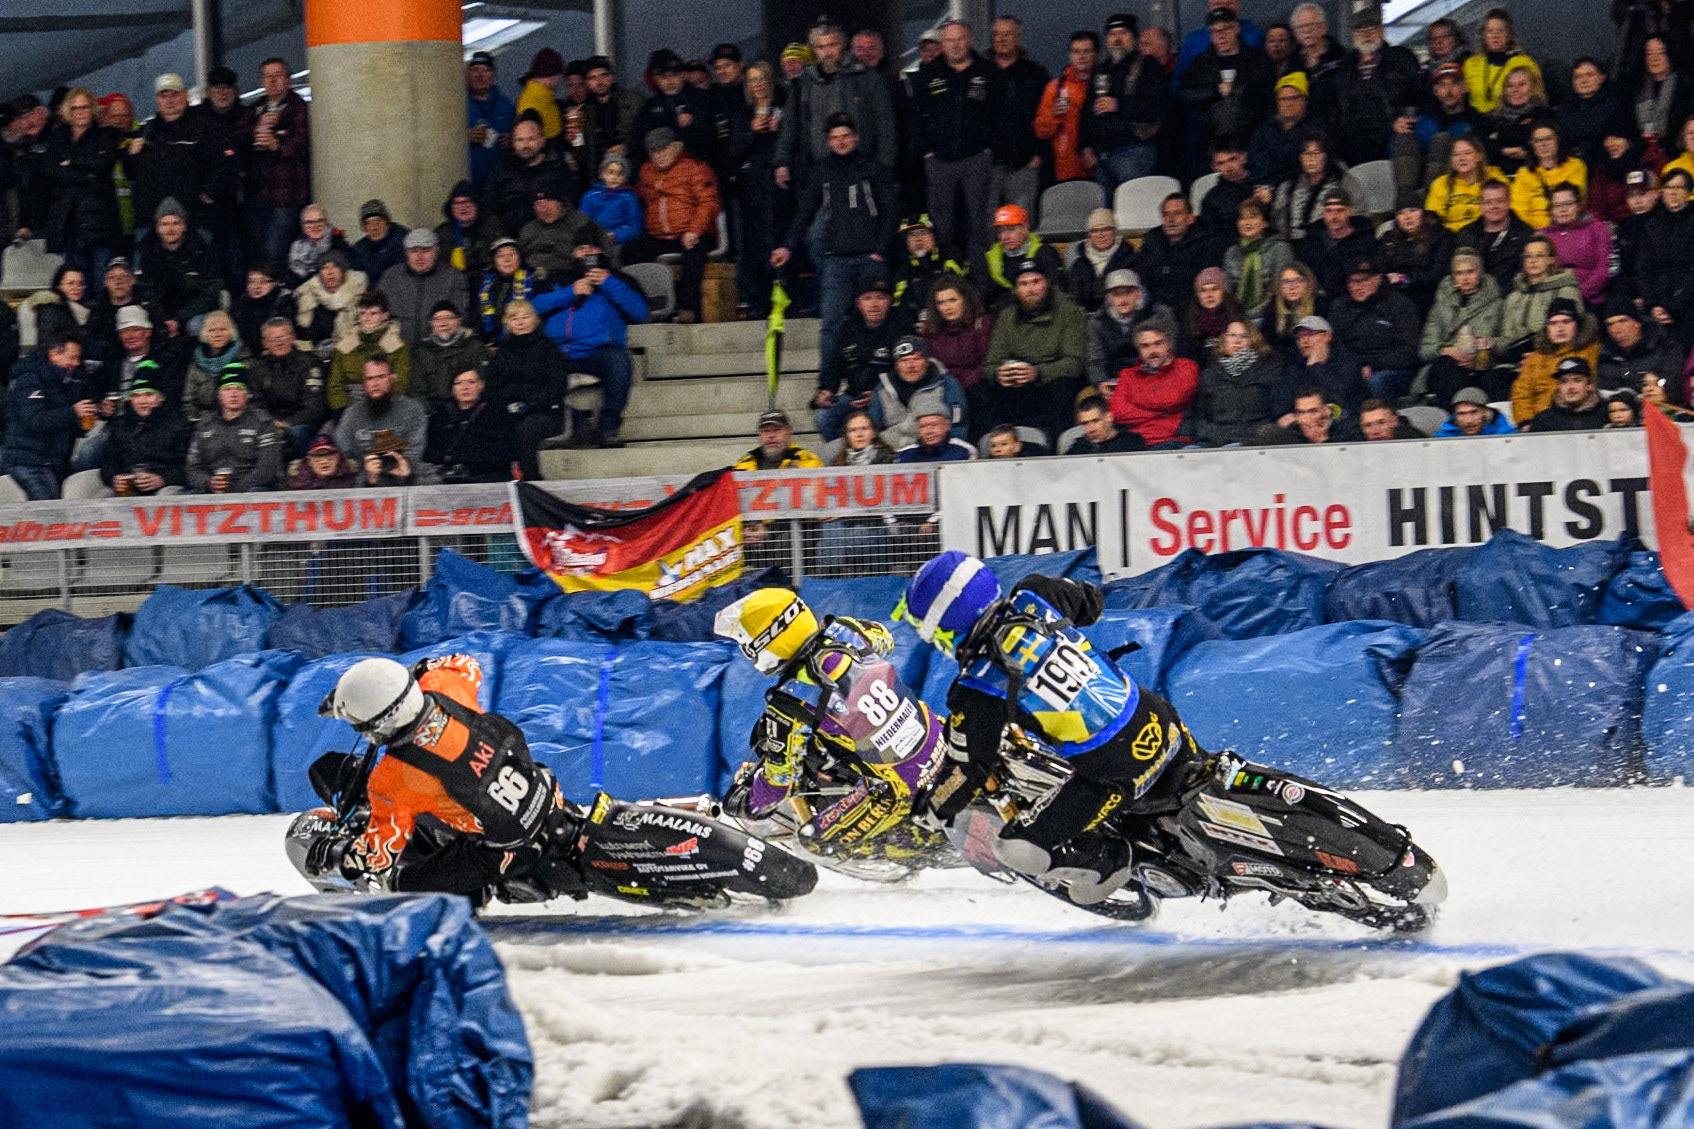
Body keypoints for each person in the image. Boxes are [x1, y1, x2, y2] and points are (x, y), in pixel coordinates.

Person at [899, 553, 1209, 904]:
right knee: (1204, 773)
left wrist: (933, 807)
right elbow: (1092, 602)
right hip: (1159, 718)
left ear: (947, 628)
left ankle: (1112, 861)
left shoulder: (978, 687)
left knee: (1016, 848)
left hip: (1114, 772)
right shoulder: (1036, 593)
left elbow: (968, 769)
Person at [304, 654, 580, 901]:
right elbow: (466, 663)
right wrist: (422, 668)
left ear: (377, 724)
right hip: (545, 792)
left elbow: (380, 853)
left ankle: (467, 906)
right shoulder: (444, 685)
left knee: (403, 884)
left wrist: (344, 856)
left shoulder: (393, 778)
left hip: (509, 848)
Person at [714, 589, 950, 851]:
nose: (749, 654)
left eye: (749, 646)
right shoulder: (847, 631)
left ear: (771, 640)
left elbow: (778, 785)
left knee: (813, 840)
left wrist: (747, 803)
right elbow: (885, 640)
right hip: (940, 736)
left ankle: (930, 849)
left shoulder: (790, 702)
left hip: (898, 789)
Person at [774, 113, 898, 391]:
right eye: (834, 137)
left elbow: (892, 212)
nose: (841, 142)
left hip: (870, 258)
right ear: (828, 142)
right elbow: (804, 212)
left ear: (855, 137)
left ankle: (883, 384)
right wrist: (787, 246)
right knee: (831, 323)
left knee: (881, 320)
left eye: (845, 136)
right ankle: (827, 386)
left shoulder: (874, 168)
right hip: (836, 260)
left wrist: (880, 250)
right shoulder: (822, 170)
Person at [532, 247, 648, 447]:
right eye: (580, 248)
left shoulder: (619, 279)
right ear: (572, 253)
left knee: (619, 361)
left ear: (601, 251)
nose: (586, 253)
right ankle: (576, 427)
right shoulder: (556, 279)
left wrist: (608, 282)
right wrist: (570, 292)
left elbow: (641, 313)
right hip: (557, 353)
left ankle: (608, 429)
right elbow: (532, 307)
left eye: (591, 248)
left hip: (597, 352)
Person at [774, 20, 897, 189]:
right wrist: (782, 161)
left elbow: (885, 124)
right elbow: (790, 126)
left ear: (843, 45)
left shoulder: (866, 77)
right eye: (820, 47)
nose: (827, 52)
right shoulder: (802, 83)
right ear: (813, 50)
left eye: (832, 44)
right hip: (818, 170)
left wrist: (884, 165)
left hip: (861, 168)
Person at [981, 258, 1087, 436]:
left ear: (1047, 283)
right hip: (1019, 381)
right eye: (1023, 284)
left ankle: (1058, 449)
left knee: (1062, 388)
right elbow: (991, 364)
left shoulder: (1069, 311)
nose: (1030, 289)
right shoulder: (1007, 316)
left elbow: (1074, 363)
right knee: (984, 391)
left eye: (1036, 282)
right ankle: (999, 447)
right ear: (1016, 289)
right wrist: (999, 373)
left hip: (1053, 379)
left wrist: (1037, 372)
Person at [629, 128, 719, 324]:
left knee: (693, 254)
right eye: (654, 151)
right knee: (631, 251)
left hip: (692, 232)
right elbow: (639, 195)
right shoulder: (646, 171)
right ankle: (647, 308)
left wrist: (694, 230)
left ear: (675, 147)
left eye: (663, 149)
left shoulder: (695, 167)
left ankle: (689, 309)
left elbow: (709, 202)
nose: (658, 155)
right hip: (660, 236)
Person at [1177, 7, 1276, 183]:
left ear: (1236, 28)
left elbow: (1269, 102)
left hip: (1250, 144)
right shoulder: (1200, 63)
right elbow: (1183, 95)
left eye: (1225, 29)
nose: (1220, 35)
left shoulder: (1257, 60)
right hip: (1210, 146)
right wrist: (1214, 91)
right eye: (1215, 31)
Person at [0, 332, 97, 500]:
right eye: (72, 357)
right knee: (49, 516)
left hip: (51, 463)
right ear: (54, 354)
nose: (76, 363)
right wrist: (73, 412)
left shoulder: (64, 382)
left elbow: (61, 423)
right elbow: (33, 420)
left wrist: (80, 424)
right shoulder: (29, 379)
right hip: (29, 462)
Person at [1079, 14, 1168, 194]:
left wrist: (1118, 104)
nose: (1117, 38)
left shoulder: (1148, 66)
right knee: (1108, 218)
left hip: (1135, 151)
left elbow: (1157, 108)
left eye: (1124, 33)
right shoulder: (1102, 70)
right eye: (1112, 34)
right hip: (1102, 156)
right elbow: (1086, 111)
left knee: (1134, 212)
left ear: (1134, 38)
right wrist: (1084, 145)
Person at [42, 86, 122, 282]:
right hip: (68, 223)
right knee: (76, 284)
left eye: (85, 107)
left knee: (100, 281)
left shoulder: (106, 135)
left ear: (92, 109)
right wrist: (87, 175)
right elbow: (52, 172)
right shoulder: (57, 138)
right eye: (76, 108)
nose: (81, 112)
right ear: (69, 111)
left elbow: (103, 165)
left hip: (101, 222)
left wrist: (71, 162)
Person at [727, 62, 787, 317]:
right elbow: (733, 152)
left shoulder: (785, 107)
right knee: (754, 246)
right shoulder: (743, 114)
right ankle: (759, 301)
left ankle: (785, 295)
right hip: (752, 190)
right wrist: (752, 132)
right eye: (752, 80)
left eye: (762, 78)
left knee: (781, 240)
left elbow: (795, 141)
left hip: (781, 188)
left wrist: (778, 131)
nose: (758, 84)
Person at [241, 58, 312, 268]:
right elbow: (238, 137)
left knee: (275, 249)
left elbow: (302, 144)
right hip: (258, 193)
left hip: (286, 194)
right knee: (256, 249)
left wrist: (276, 143)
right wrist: (258, 128)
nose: (272, 81)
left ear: (288, 80)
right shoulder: (255, 108)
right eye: (267, 76)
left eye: (277, 76)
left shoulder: (298, 107)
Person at [815, 278, 904, 441]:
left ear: (890, 301)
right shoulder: (847, 329)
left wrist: (878, 395)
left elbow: (906, 371)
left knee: (875, 408)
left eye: (880, 297)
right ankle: (843, 459)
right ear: (858, 303)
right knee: (823, 417)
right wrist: (826, 389)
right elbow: (834, 365)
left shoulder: (901, 328)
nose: (874, 304)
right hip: (853, 397)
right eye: (867, 298)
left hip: (890, 399)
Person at [1420, 248, 1507, 404]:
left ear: (1479, 273)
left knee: (1494, 378)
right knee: (1446, 365)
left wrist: (1488, 348)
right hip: (1446, 368)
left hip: (1484, 367)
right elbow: (1425, 350)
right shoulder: (1440, 307)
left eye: (1470, 272)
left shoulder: (1498, 305)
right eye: (1459, 273)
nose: (1465, 278)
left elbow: (1507, 343)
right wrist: (1446, 350)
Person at [125, 73, 203, 245]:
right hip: (150, 224)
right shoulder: (145, 132)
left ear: (185, 96)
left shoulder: (202, 128)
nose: (169, 100)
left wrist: (207, 194)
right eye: (163, 95)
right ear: (157, 100)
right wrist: (131, 156)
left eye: (174, 94)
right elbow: (130, 173)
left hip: (194, 221)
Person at [1327, 258, 1421, 401]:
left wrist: (1373, 365)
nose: (1357, 287)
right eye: (1352, 281)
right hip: (1352, 367)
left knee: (1377, 381)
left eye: (1363, 281)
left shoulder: (1399, 304)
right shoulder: (1340, 307)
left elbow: (1407, 351)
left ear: (1378, 278)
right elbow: (1336, 347)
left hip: (1393, 370)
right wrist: (1358, 365)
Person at [93, 367, 192, 496]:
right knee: (103, 496)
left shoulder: (179, 425)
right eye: (137, 395)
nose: (142, 401)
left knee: (166, 495)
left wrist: (162, 479)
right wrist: (114, 479)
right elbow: (108, 462)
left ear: (160, 398)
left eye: (149, 394)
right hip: (129, 485)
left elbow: (188, 467)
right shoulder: (120, 424)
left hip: (165, 486)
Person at [184, 365, 284, 493]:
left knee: (255, 492)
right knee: (189, 497)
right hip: (213, 488)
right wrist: (208, 483)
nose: (233, 394)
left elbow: (267, 468)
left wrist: (236, 490)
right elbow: (193, 467)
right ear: (219, 395)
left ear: (248, 394)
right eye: (227, 389)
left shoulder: (263, 422)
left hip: (252, 488)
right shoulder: (204, 425)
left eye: (239, 388)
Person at [1181, 318, 1279, 446]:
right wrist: (1210, 435)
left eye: (1244, 336)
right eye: (1232, 335)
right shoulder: (1209, 374)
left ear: (1253, 340)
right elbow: (1199, 414)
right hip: (1216, 442)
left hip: (1253, 442)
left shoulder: (1268, 369)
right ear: (1224, 339)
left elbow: (1275, 412)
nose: (1237, 341)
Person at [132, 198, 222, 335]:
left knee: (195, 326)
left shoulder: (201, 248)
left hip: (194, 312)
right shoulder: (147, 251)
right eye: (165, 224)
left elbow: (213, 288)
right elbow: (145, 290)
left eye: (176, 223)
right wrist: (162, 320)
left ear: (184, 226)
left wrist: (180, 318)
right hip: (160, 315)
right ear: (157, 228)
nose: (170, 229)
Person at [1110, 316, 1198, 448]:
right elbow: (1118, 412)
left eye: (1158, 343)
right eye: (1145, 346)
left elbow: (1173, 398)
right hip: (1135, 442)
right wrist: (1160, 413)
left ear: (1168, 344)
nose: (1152, 351)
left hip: (1173, 440)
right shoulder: (1127, 375)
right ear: (1138, 350)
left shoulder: (1186, 367)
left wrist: (1138, 404)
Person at [869, 335, 968, 451]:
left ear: (926, 361)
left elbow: (958, 426)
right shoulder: (882, 389)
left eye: (916, 359)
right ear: (896, 365)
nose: (910, 366)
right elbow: (872, 429)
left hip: (934, 453)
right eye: (904, 360)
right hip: (890, 455)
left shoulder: (947, 385)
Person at [1512, 297, 1602, 425]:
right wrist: (1526, 422)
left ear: (1577, 325)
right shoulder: (1535, 359)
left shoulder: (1593, 352)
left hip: (1582, 421)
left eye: (1566, 322)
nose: (1560, 328)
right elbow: (1521, 395)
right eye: (1553, 323)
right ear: (1546, 328)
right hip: (1542, 427)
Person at [484, 117, 579, 238]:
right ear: (513, 143)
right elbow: (489, 208)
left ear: (542, 141)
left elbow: (570, 206)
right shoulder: (501, 171)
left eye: (531, 139)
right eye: (520, 140)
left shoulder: (558, 169)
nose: (525, 145)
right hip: (510, 242)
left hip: (551, 240)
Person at [248, 316, 328, 455]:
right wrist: (271, 423)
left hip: (303, 422)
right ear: (265, 343)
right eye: (274, 339)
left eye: (283, 337)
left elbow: (315, 407)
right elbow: (256, 405)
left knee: (296, 433)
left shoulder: (309, 363)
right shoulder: (257, 368)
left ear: (292, 338)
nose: (279, 343)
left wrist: (286, 424)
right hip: (270, 423)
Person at [335, 356, 430, 471]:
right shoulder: (352, 414)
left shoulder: (412, 410)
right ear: (364, 383)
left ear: (391, 379)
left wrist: (402, 467)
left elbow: (414, 452)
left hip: (405, 477)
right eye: (369, 379)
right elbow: (342, 453)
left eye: (381, 377)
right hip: (364, 479)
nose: (375, 383)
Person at [1498, 237, 1582, 360]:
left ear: (1550, 259)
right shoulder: (1513, 297)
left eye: (1539, 256)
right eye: (1528, 256)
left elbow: (1574, 335)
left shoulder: (1566, 291)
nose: (1533, 261)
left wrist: (1538, 357)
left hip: (1553, 358)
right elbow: (1506, 339)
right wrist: (1490, 344)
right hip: (1515, 360)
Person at [380, 228, 467, 346]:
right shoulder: (390, 277)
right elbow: (379, 315)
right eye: (413, 251)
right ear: (406, 253)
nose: (419, 256)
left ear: (436, 251)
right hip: (398, 349)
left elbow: (461, 317)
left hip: (438, 350)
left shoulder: (453, 277)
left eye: (426, 250)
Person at [1086, 269, 1171, 391]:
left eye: (1128, 292)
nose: (1123, 299)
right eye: (1116, 294)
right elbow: (1095, 361)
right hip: (1114, 379)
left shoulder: (1158, 315)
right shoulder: (1097, 322)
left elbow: (1168, 352)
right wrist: (1101, 383)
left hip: (1151, 375)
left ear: (1138, 293)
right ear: (1109, 297)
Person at [969, 203, 1063, 313]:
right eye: (1000, 231)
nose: (1004, 237)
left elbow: (1057, 290)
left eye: (1011, 229)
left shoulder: (1045, 253)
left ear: (1025, 228)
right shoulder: (989, 259)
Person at [328, 290, 411, 411]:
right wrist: (345, 412)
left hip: (386, 407)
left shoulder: (397, 347)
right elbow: (335, 386)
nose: (367, 318)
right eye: (363, 313)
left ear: (384, 316)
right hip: (349, 408)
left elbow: (400, 384)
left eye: (373, 313)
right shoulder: (344, 346)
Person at [1136, 194, 1219, 314]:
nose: (1171, 219)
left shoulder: (1205, 243)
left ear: (1190, 218)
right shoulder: (1151, 241)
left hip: (1193, 310)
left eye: (1177, 213)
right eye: (1166, 214)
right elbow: (1143, 280)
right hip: (1156, 309)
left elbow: (1208, 284)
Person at [1034, 31, 1098, 186]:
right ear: (1070, 55)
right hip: (1064, 168)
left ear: (1096, 54)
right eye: (1076, 51)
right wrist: (1055, 115)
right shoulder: (1056, 87)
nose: (1081, 57)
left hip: (1098, 165)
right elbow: (1041, 130)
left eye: (1086, 51)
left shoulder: (1105, 84)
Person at [1379, 189, 1456, 314]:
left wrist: (1404, 279)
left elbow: (1438, 274)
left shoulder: (1441, 236)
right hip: (1394, 301)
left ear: (1423, 212)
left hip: (1430, 300)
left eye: (1413, 210)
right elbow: (1379, 271)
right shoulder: (1388, 239)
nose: (1407, 217)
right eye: (1401, 213)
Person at [1296, 187, 1378, 299]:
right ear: (1323, 212)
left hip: (1352, 300)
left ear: (1350, 211)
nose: (1334, 217)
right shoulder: (1311, 240)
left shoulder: (1365, 240)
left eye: (1340, 210)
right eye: (1329, 211)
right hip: (1316, 299)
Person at [1272, 130, 1351, 243]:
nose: (1311, 158)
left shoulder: (1343, 182)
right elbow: (1277, 222)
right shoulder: (1287, 187)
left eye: (1316, 153)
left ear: (1326, 155)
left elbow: (1357, 216)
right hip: (1292, 246)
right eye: (1306, 153)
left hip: (1331, 244)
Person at [1282, 313, 1365, 419]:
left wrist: (1315, 367)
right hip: (1304, 421)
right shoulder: (1294, 367)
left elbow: (1340, 397)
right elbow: (1284, 401)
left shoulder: (1348, 362)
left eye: (1309, 334)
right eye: (1299, 337)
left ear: (1327, 336)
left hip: (1345, 418)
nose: (1304, 341)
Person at [919, 277, 994, 395]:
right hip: (943, 389)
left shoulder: (982, 324)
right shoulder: (931, 330)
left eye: (952, 300)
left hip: (978, 388)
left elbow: (989, 362)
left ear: (965, 300)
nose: (947, 307)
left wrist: (960, 384)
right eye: (940, 303)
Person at [1540, 184, 1611, 306]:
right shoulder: (1543, 235)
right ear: (1551, 210)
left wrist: (1578, 294)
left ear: (1577, 206)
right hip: (1552, 299)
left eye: (1568, 204)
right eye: (1557, 205)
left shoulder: (1597, 228)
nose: (1563, 209)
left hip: (1591, 298)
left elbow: (1603, 269)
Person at [1457, 179, 1534, 290]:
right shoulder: (1467, 234)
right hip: (1475, 298)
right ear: (1481, 206)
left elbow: (1526, 275)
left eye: (1500, 201)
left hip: (1511, 297)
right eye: (1488, 202)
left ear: (1509, 203)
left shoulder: (1525, 233)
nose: (1494, 206)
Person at [519, 188, 612, 280]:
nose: (544, 209)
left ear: (560, 203)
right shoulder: (528, 230)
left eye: (549, 201)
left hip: (575, 277)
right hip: (536, 278)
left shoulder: (581, 222)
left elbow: (603, 250)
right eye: (538, 204)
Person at [411, 301, 488, 412]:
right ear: (431, 324)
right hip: (434, 412)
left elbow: (483, 384)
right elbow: (416, 392)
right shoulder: (421, 352)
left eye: (449, 318)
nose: (443, 323)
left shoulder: (475, 348)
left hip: (471, 410)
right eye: (437, 319)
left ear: (459, 321)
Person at [1463, 9, 1542, 115]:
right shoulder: (1471, 64)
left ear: (1509, 35)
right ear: (1483, 35)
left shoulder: (1525, 63)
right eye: (1490, 31)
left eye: (1501, 30)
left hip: (1515, 118)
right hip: (1477, 122)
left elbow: (1537, 98)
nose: (1495, 36)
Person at [1598, 297, 1683, 394]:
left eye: (1623, 321)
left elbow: (1672, 384)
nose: (1616, 330)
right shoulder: (1606, 357)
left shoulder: (1665, 348)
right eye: (1610, 324)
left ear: (1638, 323)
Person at [1511, 124, 1587, 230]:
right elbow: (1519, 210)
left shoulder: (1576, 166)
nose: (1543, 144)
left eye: (1548, 138)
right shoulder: (1524, 173)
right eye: (1538, 140)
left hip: (1568, 227)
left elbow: (1576, 202)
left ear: (1558, 141)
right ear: (1532, 146)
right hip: (1534, 232)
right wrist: (1534, 232)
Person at [892, 215, 964, 325]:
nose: (918, 239)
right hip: (918, 327)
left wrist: (935, 322)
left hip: (951, 324)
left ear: (934, 237)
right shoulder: (903, 268)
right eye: (912, 235)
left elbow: (962, 294)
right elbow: (900, 305)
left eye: (923, 233)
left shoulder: (950, 258)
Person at [1426, 137, 1507, 233]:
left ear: (1479, 156)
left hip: (1485, 234)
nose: (1461, 158)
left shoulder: (1495, 178)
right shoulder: (1440, 184)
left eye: (1467, 153)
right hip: (1452, 237)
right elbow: (1431, 220)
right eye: (1455, 155)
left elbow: (1505, 211)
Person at [182, 310, 251, 420]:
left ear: (231, 332)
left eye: (223, 329)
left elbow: (252, 398)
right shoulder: (196, 364)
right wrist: (203, 420)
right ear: (205, 334)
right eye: (212, 330)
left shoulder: (244, 361)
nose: (217, 334)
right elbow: (188, 402)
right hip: (204, 422)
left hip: (239, 419)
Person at [435, 181, 505, 288]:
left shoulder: (493, 227)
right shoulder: (442, 233)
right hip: (454, 287)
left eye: (467, 202)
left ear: (476, 205)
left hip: (488, 284)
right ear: (451, 208)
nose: (462, 207)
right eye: (457, 203)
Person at [1066, 208, 1137, 314]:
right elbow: (1074, 297)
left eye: (1105, 229)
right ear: (1089, 235)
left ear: (1114, 231)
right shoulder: (1079, 264)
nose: (1100, 235)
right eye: (1095, 231)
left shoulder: (1131, 259)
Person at [294, 250, 367, 352]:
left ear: (343, 271)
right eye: (324, 268)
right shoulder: (307, 298)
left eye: (335, 266)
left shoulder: (359, 294)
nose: (330, 272)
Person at [1247, 73, 1311, 189]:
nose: (1288, 103)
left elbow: (1298, 164)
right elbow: (1254, 162)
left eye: (1294, 98)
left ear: (1304, 99)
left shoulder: (1314, 128)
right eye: (1283, 99)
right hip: (1264, 188)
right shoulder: (1264, 129)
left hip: (1299, 188)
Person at [466, 51, 517, 191]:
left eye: (485, 70)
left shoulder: (506, 106)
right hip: (468, 183)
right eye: (475, 70)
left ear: (493, 76)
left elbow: (518, 138)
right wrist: (465, 136)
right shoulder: (456, 106)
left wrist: (511, 141)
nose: (480, 75)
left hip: (498, 184)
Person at [475, 238, 540, 341]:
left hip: (527, 339)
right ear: (494, 261)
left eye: (512, 254)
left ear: (520, 258)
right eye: (501, 256)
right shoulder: (484, 284)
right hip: (491, 342)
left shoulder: (535, 280)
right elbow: (478, 318)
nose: (507, 259)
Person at [577, 155, 642, 252]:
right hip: (595, 240)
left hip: (620, 242)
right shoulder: (590, 195)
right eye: (611, 172)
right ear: (602, 174)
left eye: (620, 174)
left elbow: (634, 226)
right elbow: (584, 221)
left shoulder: (629, 197)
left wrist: (615, 236)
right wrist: (596, 237)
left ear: (625, 178)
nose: (615, 177)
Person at [1182, 267, 1248, 362]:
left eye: (1215, 289)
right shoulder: (1190, 318)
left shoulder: (1237, 314)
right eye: (1203, 290)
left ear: (1223, 292)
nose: (1209, 295)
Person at [230, 261, 297, 354]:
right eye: (251, 281)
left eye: (263, 281)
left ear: (275, 282)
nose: (256, 286)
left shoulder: (285, 303)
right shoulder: (239, 305)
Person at [1525, 356, 1608, 431]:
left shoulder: (1608, 413)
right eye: (1564, 382)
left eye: (1577, 380)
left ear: (1590, 385)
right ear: (1558, 386)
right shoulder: (1543, 419)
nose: (1570, 387)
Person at [1269, 385, 1364, 444]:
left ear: (1326, 410)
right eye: (1301, 412)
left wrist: (1322, 440)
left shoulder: (1347, 429)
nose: (1307, 418)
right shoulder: (1291, 434)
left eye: (1313, 411)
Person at [1266, 263, 1321, 361]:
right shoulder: (1272, 308)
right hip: (1280, 361)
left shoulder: (1320, 305)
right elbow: (1269, 343)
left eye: (1298, 281)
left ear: (1308, 283)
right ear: (1279, 286)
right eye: (1286, 282)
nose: (1292, 286)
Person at [735, 409, 823, 471]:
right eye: (765, 431)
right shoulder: (743, 466)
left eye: (776, 430)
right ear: (759, 435)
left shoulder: (809, 463)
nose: (771, 435)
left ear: (789, 431)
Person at [286, 204, 351, 287]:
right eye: (309, 222)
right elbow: (291, 280)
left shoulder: (339, 245)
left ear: (326, 223)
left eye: (320, 221)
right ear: (303, 227)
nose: (315, 226)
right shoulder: (296, 246)